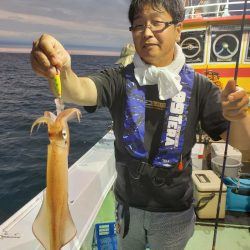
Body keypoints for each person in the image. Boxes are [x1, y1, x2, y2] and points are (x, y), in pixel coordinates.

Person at [30, 0, 250, 249]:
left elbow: (243, 144)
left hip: (173, 212)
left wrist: (239, 114)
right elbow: (77, 90)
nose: (146, 32)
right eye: (138, 25)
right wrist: (63, 68)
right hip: (128, 208)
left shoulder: (200, 87)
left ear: (178, 29)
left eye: (157, 23)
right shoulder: (118, 79)